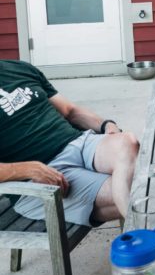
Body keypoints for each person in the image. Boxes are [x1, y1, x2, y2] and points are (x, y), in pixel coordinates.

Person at [0, 59, 139, 226]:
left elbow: (69, 110)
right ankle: (147, 241)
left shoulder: (18, 68)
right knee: (139, 191)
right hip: (39, 180)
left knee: (128, 142)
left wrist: (106, 124)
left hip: (78, 143)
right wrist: (29, 169)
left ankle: (141, 235)